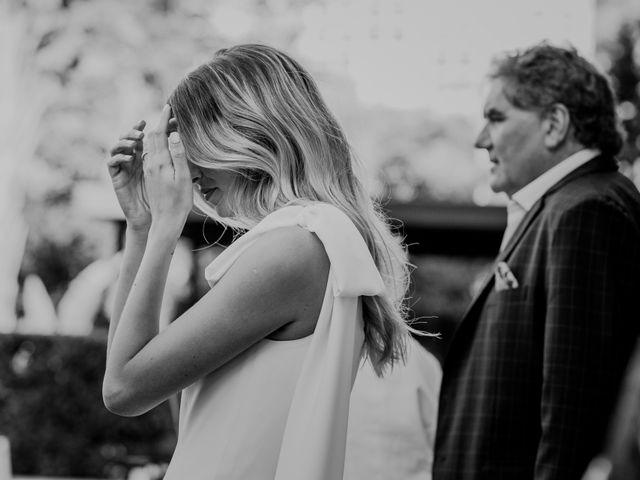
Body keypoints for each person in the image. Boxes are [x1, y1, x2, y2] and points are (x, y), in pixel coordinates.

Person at [102, 44, 414, 480]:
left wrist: (163, 229)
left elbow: (123, 389)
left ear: (248, 131)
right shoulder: (317, 238)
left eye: (194, 144)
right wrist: (141, 225)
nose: (188, 172)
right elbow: (128, 371)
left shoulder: (295, 247)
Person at [433, 43, 640, 480]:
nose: (480, 139)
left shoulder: (586, 211)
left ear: (554, 124)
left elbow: (573, 411)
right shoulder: (566, 206)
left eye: (496, 117)